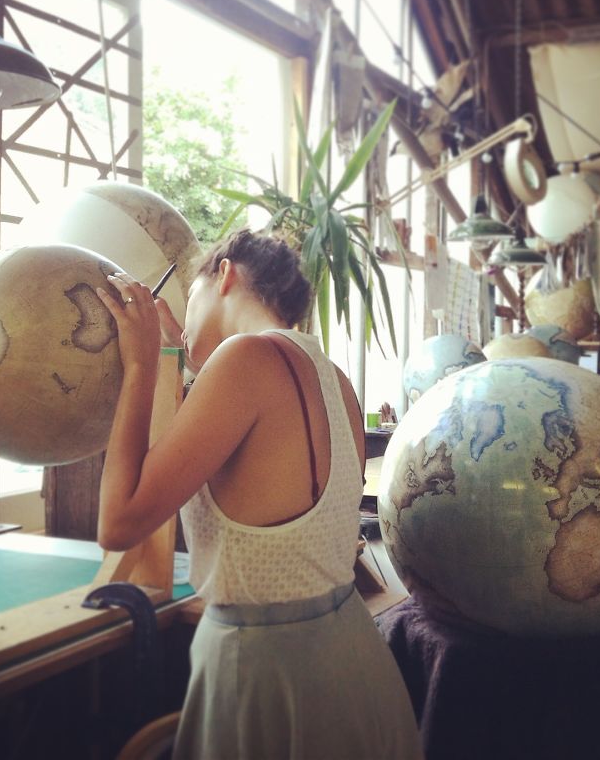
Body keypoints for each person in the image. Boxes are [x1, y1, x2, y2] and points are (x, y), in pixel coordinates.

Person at [96, 229, 422, 760]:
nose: (186, 315)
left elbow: (119, 522)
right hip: (353, 660)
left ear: (223, 274)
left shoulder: (244, 360)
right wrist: (177, 356)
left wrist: (142, 364)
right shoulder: (334, 378)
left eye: (190, 294)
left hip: (266, 670)